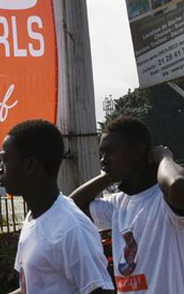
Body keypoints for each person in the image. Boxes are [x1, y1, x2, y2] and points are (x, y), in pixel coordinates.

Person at [0, 119, 114, 294]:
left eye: (5, 159)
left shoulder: (71, 227)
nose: (0, 168)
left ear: (30, 165)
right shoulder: (34, 218)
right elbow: (32, 287)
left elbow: (99, 290)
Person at [71, 116, 184, 293]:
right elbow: (72, 208)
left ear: (138, 151)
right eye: (101, 154)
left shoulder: (164, 200)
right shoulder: (118, 203)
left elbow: (177, 185)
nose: (103, 160)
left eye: (110, 152)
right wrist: (109, 175)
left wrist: (164, 157)